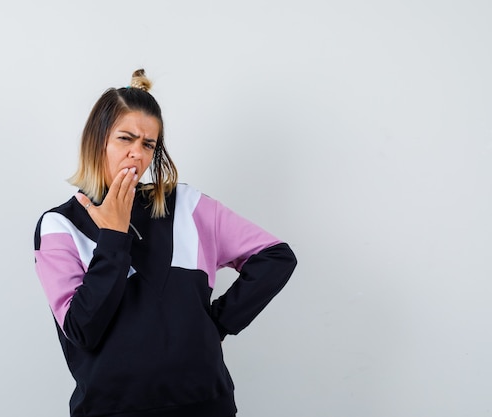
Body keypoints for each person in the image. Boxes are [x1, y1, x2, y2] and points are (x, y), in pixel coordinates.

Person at [34, 69, 297, 417]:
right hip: (112, 409)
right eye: (125, 139)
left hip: (205, 404)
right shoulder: (59, 225)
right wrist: (113, 237)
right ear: (97, 140)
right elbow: (82, 330)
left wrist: (215, 325)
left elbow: (276, 257)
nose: (137, 155)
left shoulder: (187, 205)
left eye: (148, 144)